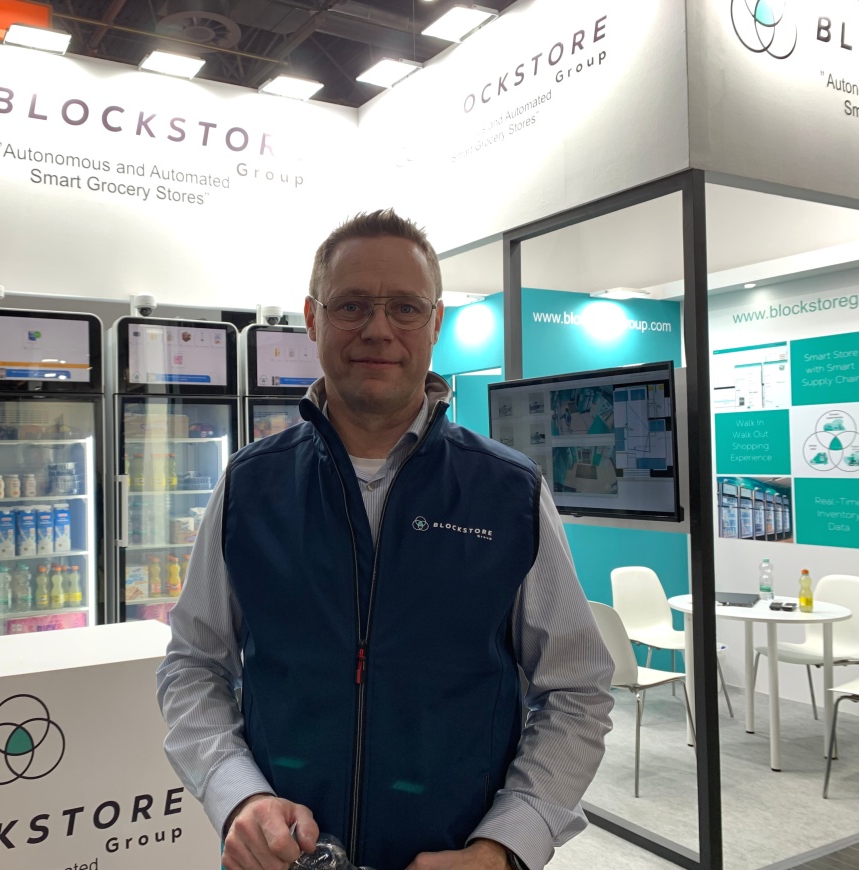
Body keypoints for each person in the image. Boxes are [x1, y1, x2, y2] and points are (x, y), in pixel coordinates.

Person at [157, 210, 615, 870]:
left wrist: (507, 844)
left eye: (405, 307)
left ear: (435, 324)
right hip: (288, 859)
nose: (378, 329)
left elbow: (576, 690)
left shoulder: (508, 491)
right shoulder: (249, 486)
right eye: (352, 305)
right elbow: (193, 665)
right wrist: (237, 798)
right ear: (313, 319)